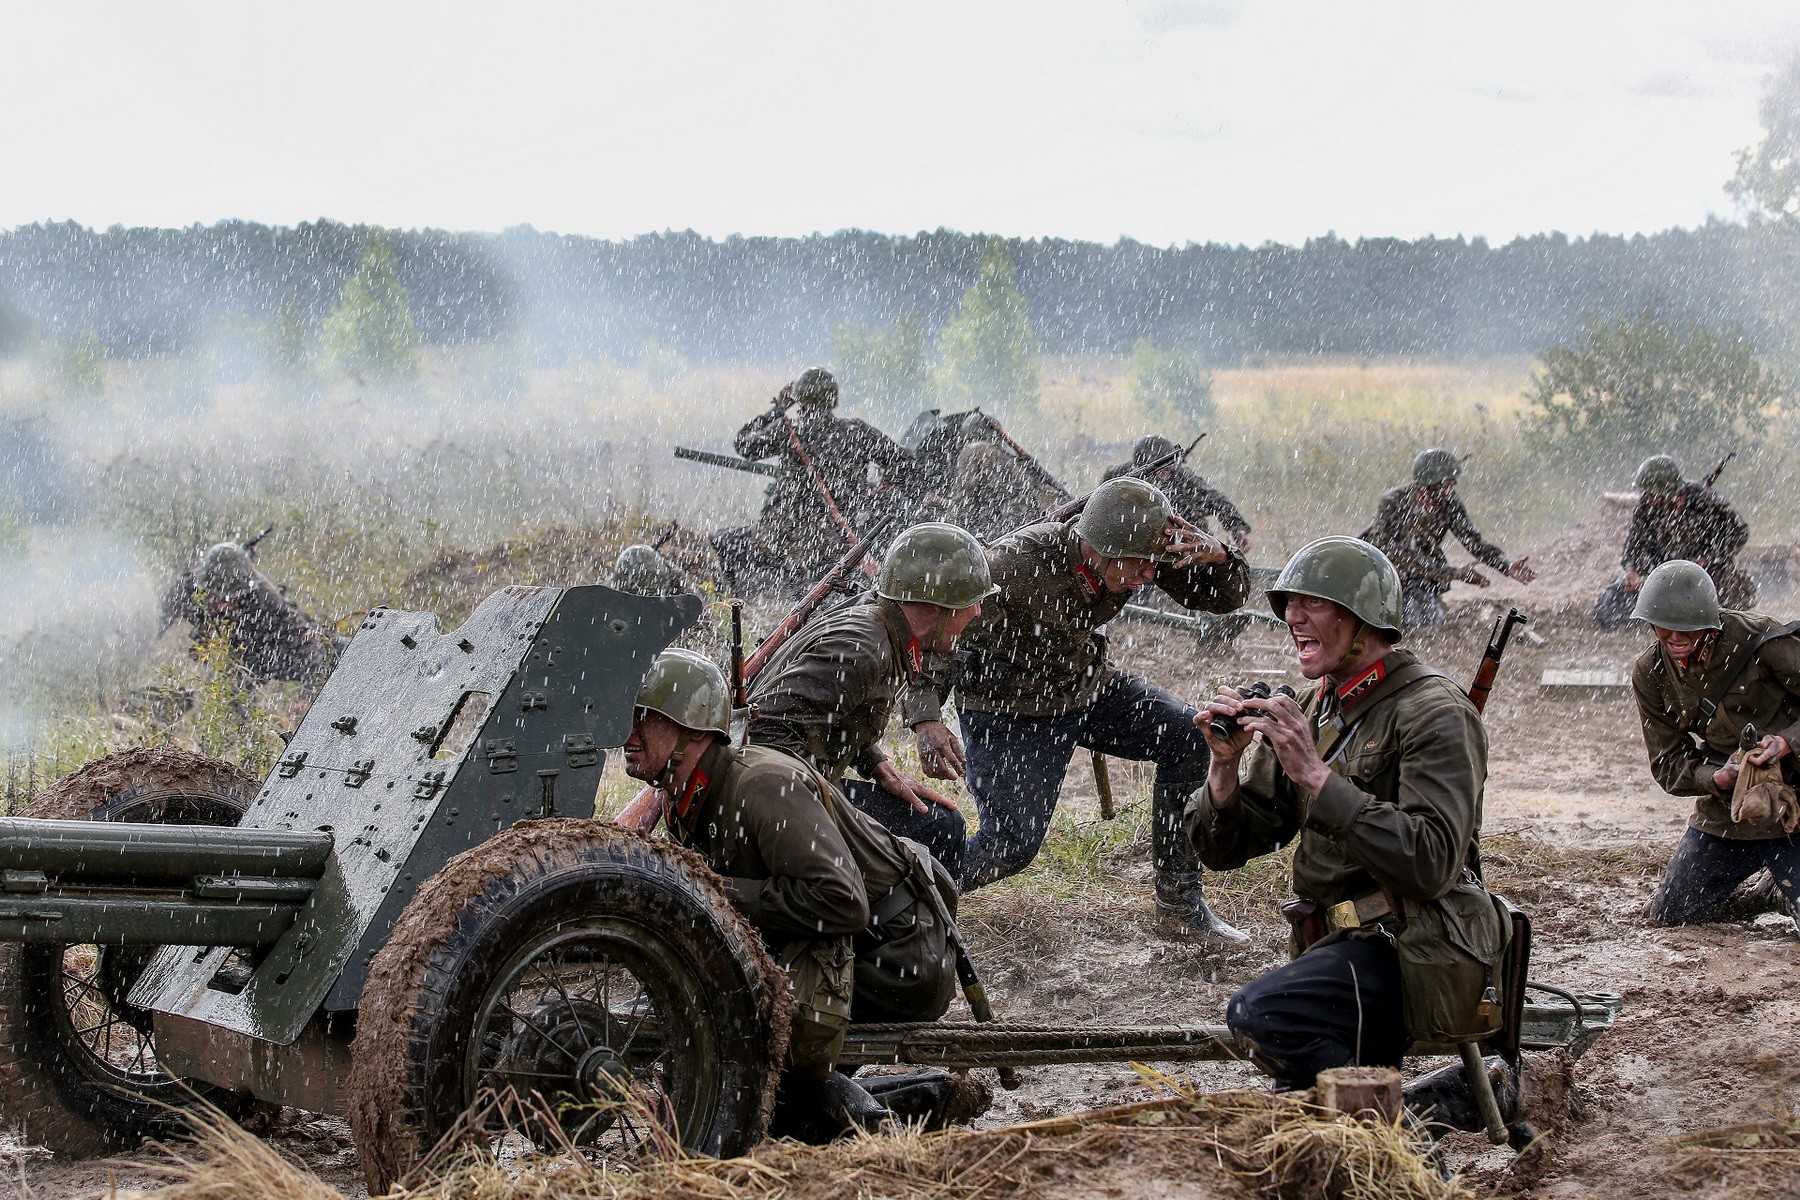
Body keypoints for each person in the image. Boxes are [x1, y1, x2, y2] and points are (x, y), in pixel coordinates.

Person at [1190, 536, 1507, 1089]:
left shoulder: (1435, 713)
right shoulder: (1322, 705)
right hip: (1338, 943)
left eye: (1312, 602)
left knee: (1262, 1016)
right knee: (1299, 1095)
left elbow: (1431, 864)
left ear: (1364, 618)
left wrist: (1316, 776)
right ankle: (1407, 1113)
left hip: (1414, 946)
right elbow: (1226, 848)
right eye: (1289, 603)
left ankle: (1393, 1127)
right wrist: (1223, 768)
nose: (1292, 617)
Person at [624, 649, 970, 1135]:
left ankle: (903, 1111)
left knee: (747, 1091)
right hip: (837, 949)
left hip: (897, 955)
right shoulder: (684, 793)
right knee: (737, 1081)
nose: (629, 735)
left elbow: (842, 902)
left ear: (695, 730)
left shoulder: (760, 785)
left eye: (647, 720)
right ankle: (903, 1099)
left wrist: (710, 892)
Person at [907, 476, 1253, 943]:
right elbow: (940, 627)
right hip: (1008, 706)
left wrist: (1220, 557)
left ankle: (1179, 905)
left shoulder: (1138, 549)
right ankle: (904, 897)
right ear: (1092, 547)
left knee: (1189, 738)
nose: (1149, 577)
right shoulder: (1013, 564)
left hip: (1086, 686)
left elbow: (1223, 600)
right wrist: (927, 715)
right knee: (1010, 845)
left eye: (1154, 566)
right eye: (1136, 567)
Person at [747, 523, 993, 877]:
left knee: (937, 823)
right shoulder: (864, 649)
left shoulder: (880, 628)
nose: (978, 613)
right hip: (772, 805)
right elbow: (763, 734)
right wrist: (834, 815)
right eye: (971, 603)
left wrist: (876, 764)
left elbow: (827, 713)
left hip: (786, 793)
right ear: (939, 607)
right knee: (940, 830)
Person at [1627, 561, 1800, 933]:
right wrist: (1716, 778)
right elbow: (1668, 764)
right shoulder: (1650, 672)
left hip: (1795, 802)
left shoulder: (1761, 641)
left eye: (1685, 628)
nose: (1674, 637)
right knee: (1674, 915)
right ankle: (1768, 893)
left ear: (1708, 621)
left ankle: (1782, 888)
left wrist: (1788, 742)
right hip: (1728, 810)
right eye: (1663, 626)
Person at [714, 368, 919, 595]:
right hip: (838, 539)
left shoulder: (789, 430)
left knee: (721, 541)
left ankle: (736, 604)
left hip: (784, 538)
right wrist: (884, 483)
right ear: (833, 398)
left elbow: (744, 443)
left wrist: (777, 410)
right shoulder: (855, 432)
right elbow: (905, 463)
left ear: (799, 398)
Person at [1362, 448, 1534, 632]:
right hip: (1383, 575)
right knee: (1401, 622)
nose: (1452, 487)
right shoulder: (1393, 502)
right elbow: (1395, 555)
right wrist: (1454, 573)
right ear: (1429, 484)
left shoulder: (1449, 503)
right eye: (1447, 483)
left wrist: (1505, 565)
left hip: (1421, 579)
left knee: (1430, 624)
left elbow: (1472, 541)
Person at [1594, 455, 1755, 630]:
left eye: (1652, 495)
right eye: (1646, 494)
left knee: (1710, 613)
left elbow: (1739, 532)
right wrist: (1632, 571)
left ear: (1672, 493)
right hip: (1663, 572)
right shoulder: (1646, 507)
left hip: (1707, 572)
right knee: (1609, 606)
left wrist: (1707, 558)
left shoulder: (1705, 501)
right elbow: (1634, 545)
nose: (1648, 499)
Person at [161, 541, 338, 684]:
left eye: (232, 598)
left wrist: (308, 697)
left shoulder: (265, 599)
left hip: (263, 651)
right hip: (227, 652)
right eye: (217, 597)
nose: (224, 605)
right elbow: (155, 623)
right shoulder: (186, 588)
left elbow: (309, 642)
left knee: (338, 651)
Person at [1103, 434, 1253, 555]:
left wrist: (1236, 527)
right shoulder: (1119, 477)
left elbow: (1216, 500)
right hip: (1134, 547)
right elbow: (1101, 510)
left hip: (1184, 545)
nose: (1164, 473)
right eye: (1159, 469)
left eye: (1168, 468)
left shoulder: (1182, 479)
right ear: (1142, 467)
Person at [947, 440, 1062, 541]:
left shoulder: (976, 451)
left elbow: (961, 509)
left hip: (1010, 531)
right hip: (1027, 526)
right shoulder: (1012, 459)